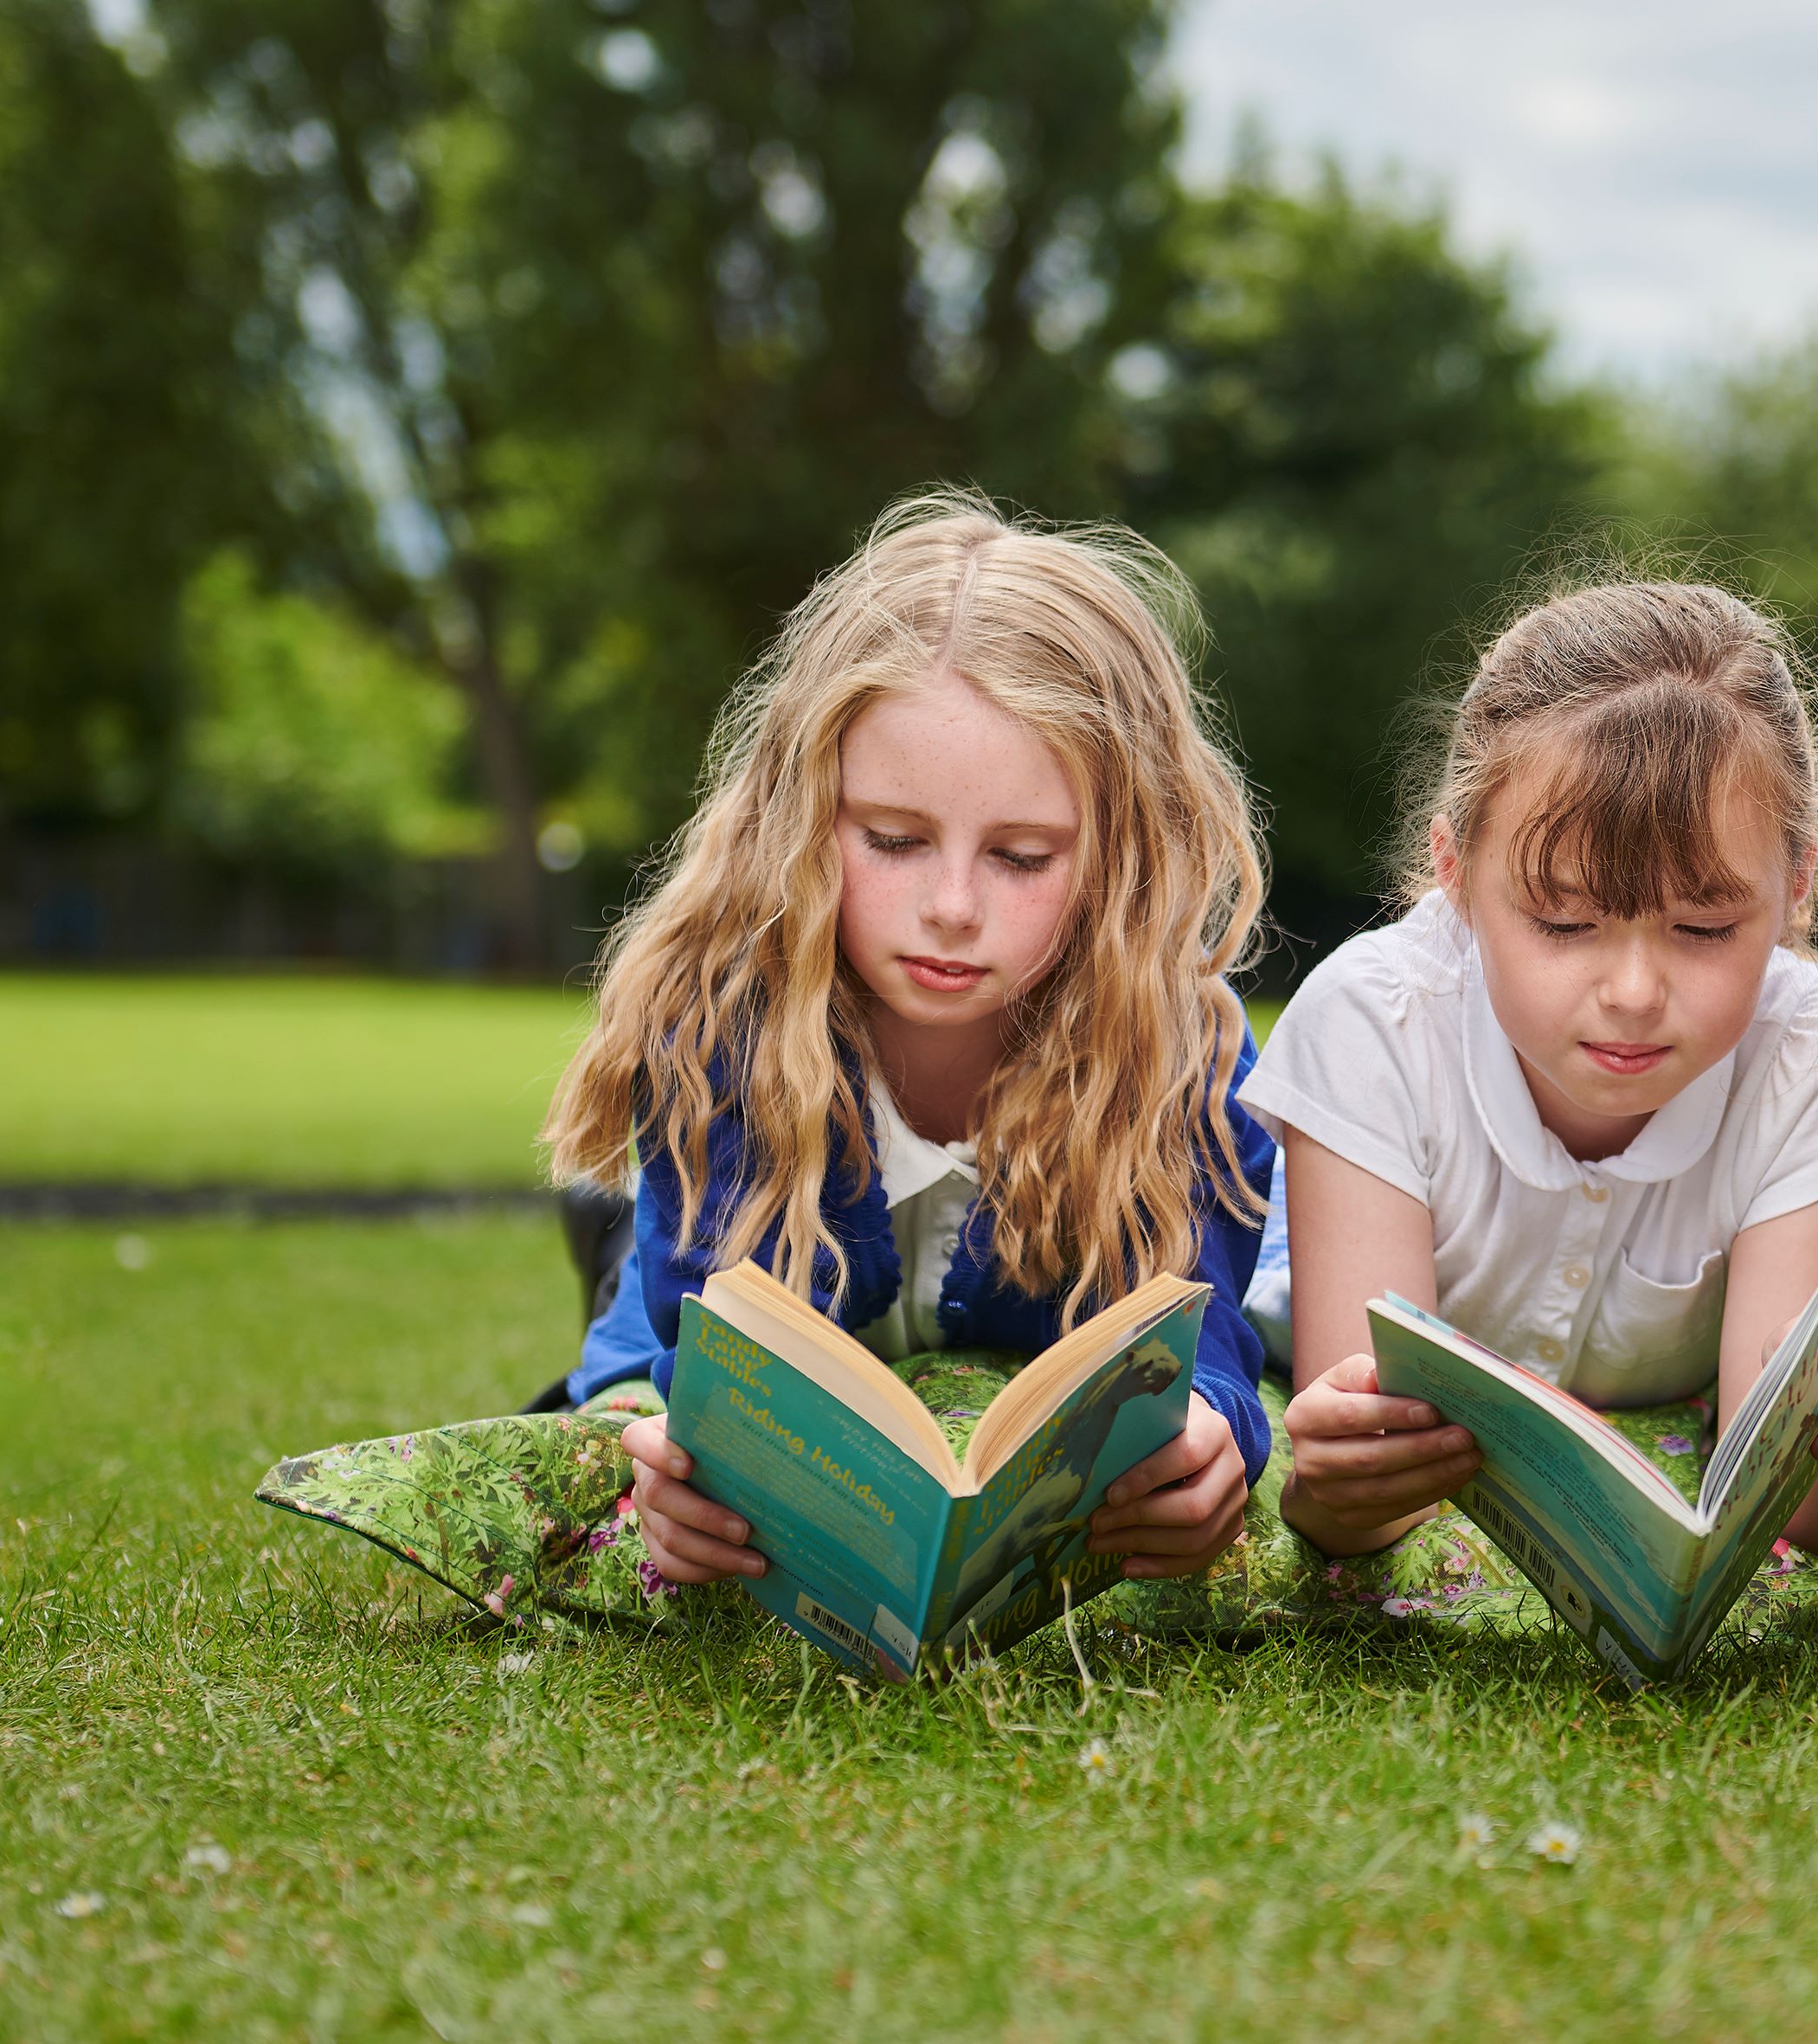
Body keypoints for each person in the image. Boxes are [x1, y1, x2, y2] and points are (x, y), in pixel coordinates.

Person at [539, 492, 1278, 1592]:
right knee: (625, 1330)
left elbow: (1204, 1344)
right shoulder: (717, 1032)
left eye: (1023, 856)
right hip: (690, 1226)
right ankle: (607, 1230)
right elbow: (697, 1371)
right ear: (803, 813)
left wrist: (1217, 1435)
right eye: (893, 839)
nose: (950, 906)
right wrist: (672, 1464)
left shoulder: (1182, 1056)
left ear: (1122, 852)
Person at [1256, 578, 1818, 1565]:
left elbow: (1805, 1523)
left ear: (1793, 891)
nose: (1632, 991)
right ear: (1454, 871)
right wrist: (1338, 1489)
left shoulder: (1813, 1050)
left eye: (1702, 928)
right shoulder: (1375, 1021)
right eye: (1566, 924)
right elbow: (1366, 1497)